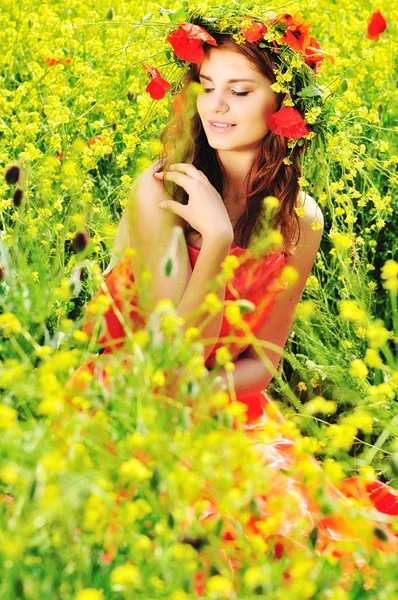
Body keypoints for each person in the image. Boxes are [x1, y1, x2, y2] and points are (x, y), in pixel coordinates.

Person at [66, 9, 397, 581]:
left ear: (285, 105)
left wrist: (205, 399)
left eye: (239, 91)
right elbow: (167, 357)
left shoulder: (302, 222)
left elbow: (262, 363)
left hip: (220, 400)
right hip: (131, 396)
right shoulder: (161, 189)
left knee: (295, 545)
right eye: (208, 87)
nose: (215, 106)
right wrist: (215, 240)